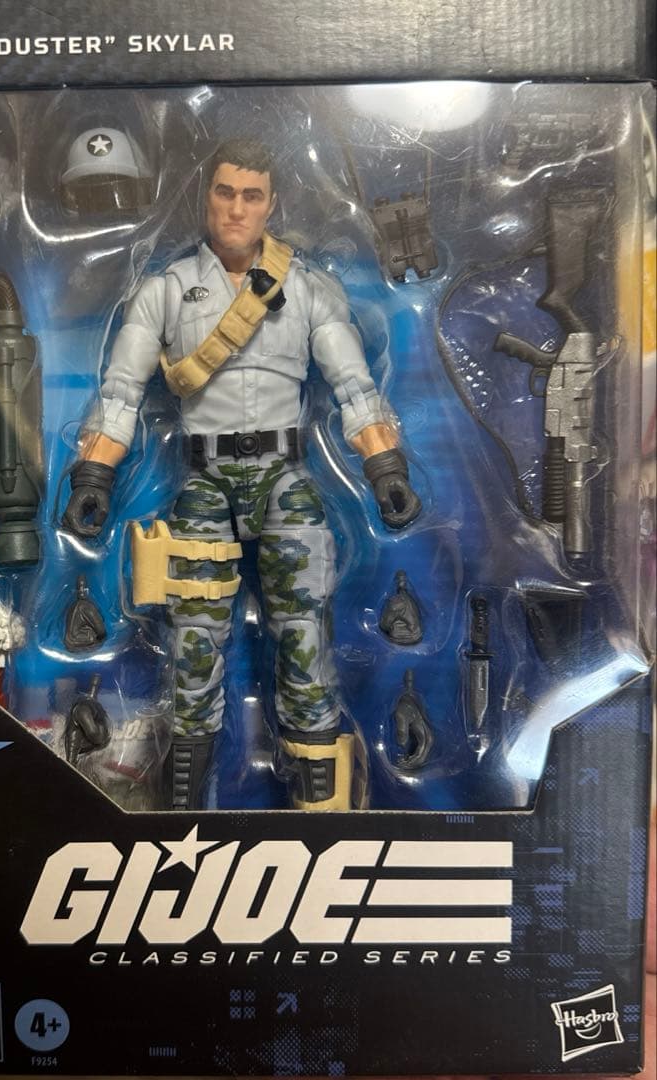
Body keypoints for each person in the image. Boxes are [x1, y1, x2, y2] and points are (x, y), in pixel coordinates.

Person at [63, 137, 422, 811]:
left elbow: (354, 385)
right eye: (225, 192)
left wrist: (383, 467)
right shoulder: (166, 291)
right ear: (206, 197)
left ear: (270, 204)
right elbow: (120, 393)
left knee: (304, 636)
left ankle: (319, 806)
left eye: (251, 196)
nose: (236, 209)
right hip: (204, 481)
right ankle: (182, 804)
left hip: (285, 475)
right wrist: (94, 478)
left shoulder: (306, 288)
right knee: (193, 645)